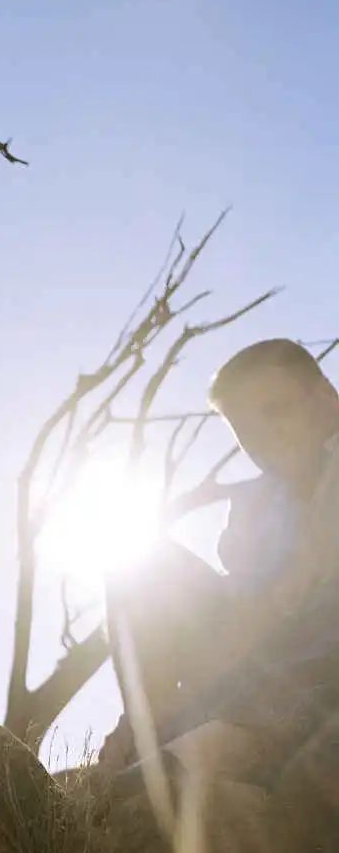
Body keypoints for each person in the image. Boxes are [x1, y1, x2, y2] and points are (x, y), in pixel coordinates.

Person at [100, 339, 339, 791]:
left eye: (275, 412)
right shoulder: (255, 506)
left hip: (316, 659)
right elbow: (244, 615)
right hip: (260, 662)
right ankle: (151, 729)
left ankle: (199, 744)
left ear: (327, 398)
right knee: (144, 567)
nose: (264, 440)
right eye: (246, 431)